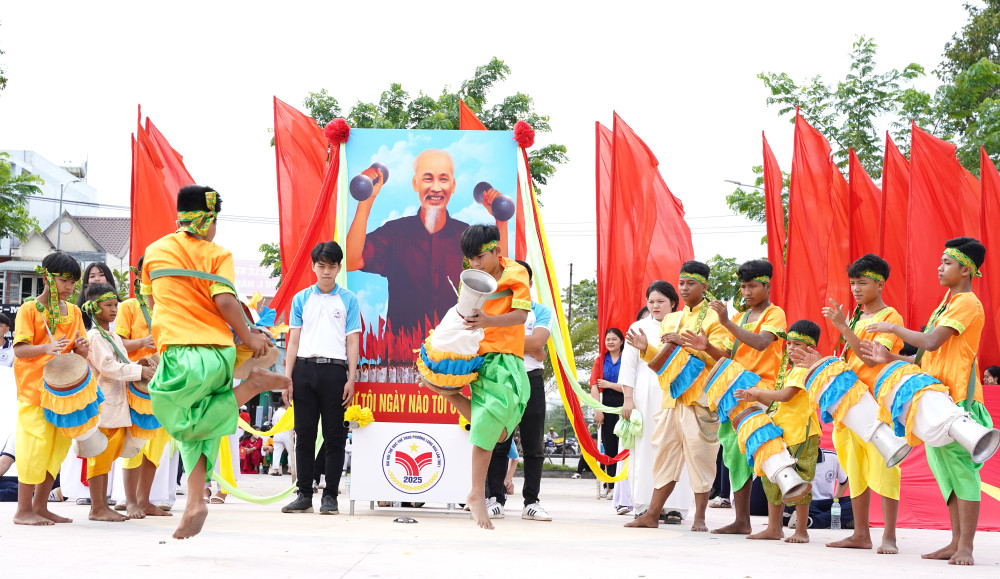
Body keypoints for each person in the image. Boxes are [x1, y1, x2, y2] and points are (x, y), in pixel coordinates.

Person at [143, 185, 289, 539]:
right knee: (199, 432)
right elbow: (224, 300)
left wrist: (251, 336)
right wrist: (249, 335)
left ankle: (250, 388)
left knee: (168, 409)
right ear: (207, 219)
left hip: (181, 352)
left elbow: (153, 305)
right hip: (218, 354)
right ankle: (195, 500)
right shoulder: (217, 254)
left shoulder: (155, 251)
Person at [861, 236, 989, 566]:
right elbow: (923, 359)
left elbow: (931, 342)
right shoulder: (945, 305)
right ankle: (954, 541)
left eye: (947, 262)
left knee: (961, 472)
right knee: (944, 473)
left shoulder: (967, 303)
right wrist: (889, 356)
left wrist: (892, 327)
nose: (939, 266)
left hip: (958, 401)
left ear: (965, 269)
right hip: (933, 398)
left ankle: (966, 547)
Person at [431, 224, 530, 529]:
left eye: (478, 258)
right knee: (490, 425)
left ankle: (448, 394)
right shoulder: (471, 281)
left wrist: (489, 319)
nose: (473, 264)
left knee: (502, 431)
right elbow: (465, 317)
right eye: (469, 260)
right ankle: (476, 493)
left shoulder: (516, 273)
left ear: (496, 252)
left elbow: (521, 315)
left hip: (511, 356)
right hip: (484, 358)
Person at [812, 253, 904, 554]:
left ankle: (889, 535)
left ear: (880, 284)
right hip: (846, 405)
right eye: (852, 283)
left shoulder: (890, 318)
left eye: (862, 282)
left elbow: (870, 357)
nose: (855, 288)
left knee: (885, 466)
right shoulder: (855, 316)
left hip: (875, 404)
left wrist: (843, 328)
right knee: (855, 468)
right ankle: (861, 534)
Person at [627, 262, 726, 532]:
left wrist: (697, 347)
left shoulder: (716, 318)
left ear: (704, 286)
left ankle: (700, 519)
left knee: (700, 456)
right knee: (665, 456)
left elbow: (726, 357)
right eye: (681, 283)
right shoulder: (671, 319)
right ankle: (651, 514)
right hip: (672, 399)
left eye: (690, 283)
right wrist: (647, 349)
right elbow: (664, 359)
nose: (684, 288)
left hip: (701, 399)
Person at [348, 150, 475, 335]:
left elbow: (496, 277)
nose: (436, 188)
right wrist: (366, 201)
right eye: (428, 178)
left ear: (453, 185)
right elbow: (351, 261)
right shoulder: (394, 232)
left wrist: (501, 222)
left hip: (454, 352)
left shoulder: (468, 236)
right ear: (415, 183)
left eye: (444, 179)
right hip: (402, 353)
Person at [281, 241, 361, 515]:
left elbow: (352, 341)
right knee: (303, 435)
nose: (326, 271)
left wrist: (351, 378)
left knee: (334, 437)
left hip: (335, 373)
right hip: (304, 370)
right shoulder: (301, 298)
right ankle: (303, 493)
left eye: (332, 266)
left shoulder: (348, 299)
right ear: (313, 266)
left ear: (339, 267)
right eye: (321, 266)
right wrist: (287, 378)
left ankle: (330, 497)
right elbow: (293, 341)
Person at [12, 251, 90, 526]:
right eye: (64, 280)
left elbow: (80, 358)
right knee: (34, 447)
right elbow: (20, 350)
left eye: (73, 282)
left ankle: (40, 506)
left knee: (56, 449)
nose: (69, 287)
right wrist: (46, 347)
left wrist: (82, 350)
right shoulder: (29, 309)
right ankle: (22, 511)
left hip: (63, 395)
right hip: (34, 392)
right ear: (47, 277)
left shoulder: (76, 312)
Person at [710, 259, 786, 535]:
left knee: (767, 453)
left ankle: (775, 525)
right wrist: (704, 346)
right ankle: (742, 520)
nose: (746, 292)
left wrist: (726, 322)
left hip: (764, 393)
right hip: (735, 394)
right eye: (743, 287)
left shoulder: (774, 314)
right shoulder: (741, 318)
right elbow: (731, 356)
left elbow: (762, 343)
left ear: (767, 285)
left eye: (752, 286)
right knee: (734, 456)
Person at [736, 319, 822, 543]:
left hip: (802, 433)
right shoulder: (788, 368)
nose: (791, 348)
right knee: (772, 478)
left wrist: (757, 394)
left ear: (811, 348)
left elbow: (786, 396)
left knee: (800, 480)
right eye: (790, 344)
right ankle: (774, 528)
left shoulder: (804, 369)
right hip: (780, 431)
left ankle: (801, 530)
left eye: (797, 344)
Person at [82, 282, 156, 522]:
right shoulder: (94, 336)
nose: (114, 309)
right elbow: (107, 367)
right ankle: (97, 507)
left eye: (115, 304)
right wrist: (138, 372)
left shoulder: (111, 335)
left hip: (115, 404)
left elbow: (121, 361)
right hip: (103, 403)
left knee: (107, 454)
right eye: (108, 305)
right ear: (94, 308)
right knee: (99, 454)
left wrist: (141, 364)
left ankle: (102, 505)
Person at [485, 259, 553, 522]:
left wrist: (503, 340)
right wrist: (531, 347)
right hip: (501, 378)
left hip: (531, 378)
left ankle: (531, 502)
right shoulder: (495, 309)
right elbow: (531, 345)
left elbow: (539, 341)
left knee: (533, 444)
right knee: (498, 441)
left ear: (529, 284)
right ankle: (495, 499)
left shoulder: (541, 311)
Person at [621, 287, 692, 522]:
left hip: (675, 391)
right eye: (651, 301)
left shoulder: (684, 324)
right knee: (645, 447)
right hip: (645, 394)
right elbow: (629, 367)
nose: (655, 306)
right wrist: (628, 399)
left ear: (673, 302)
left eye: (661, 301)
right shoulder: (637, 328)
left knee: (674, 447)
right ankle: (643, 504)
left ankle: (675, 506)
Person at [116, 256, 174, 519]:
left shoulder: (171, 307)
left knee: (156, 444)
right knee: (134, 443)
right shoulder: (128, 306)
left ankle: (145, 500)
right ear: (140, 275)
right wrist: (144, 340)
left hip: (165, 383)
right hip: (137, 384)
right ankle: (129, 501)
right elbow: (115, 344)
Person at [591, 328, 625, 498]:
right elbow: (594, 385)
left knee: (623, 445)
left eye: (614, 339)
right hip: (606, 405)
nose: (610, 342)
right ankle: (609, 485)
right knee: (609, 445)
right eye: (608, 339)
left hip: (625, 403)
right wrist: (598, 410)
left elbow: (629, 386)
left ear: (621, 341)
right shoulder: (600, 360)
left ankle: (622, 486)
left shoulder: (627, 359)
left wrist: (610, 384)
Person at [790, 448, 853, 530]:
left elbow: (844, 481)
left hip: (826, 503)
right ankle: (837, 518)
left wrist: (835, 502)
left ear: (818, 441)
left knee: (854, 502)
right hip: (803, 502)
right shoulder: (791, 459)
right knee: (789, 504)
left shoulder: (832, 457)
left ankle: (811, 522)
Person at [77, 262, 116, 329]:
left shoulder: (122, 307)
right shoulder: (79, 311)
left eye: (101, 275)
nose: (97, 279)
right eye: (92, 276)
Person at [269, 399, 292, 476]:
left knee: (277, 452)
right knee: (291, 451)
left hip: (277, 434)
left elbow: (273, 423)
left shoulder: (276, 412)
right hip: (286, 434)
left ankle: (275, 470)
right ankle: (290, 469)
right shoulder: (286, 413)